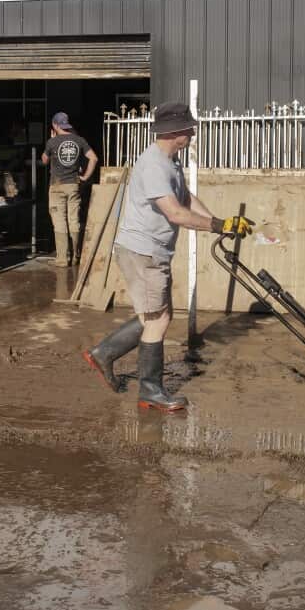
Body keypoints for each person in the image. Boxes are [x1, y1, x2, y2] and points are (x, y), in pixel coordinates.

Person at [81, 102, 254, 412]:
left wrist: (220, 224)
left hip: (151, 250)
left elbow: (185, 198)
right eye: (188, 128)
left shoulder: (168, 162)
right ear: (174, 132)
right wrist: (217, 225)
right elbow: (175, 213)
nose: (192, 132)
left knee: (158, 315)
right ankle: (150, 391)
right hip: (143, 251)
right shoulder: (154, 166)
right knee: (157, 319)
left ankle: (104, 352)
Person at [41, 112, 97, 267]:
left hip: (57, 186)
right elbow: (94, 158)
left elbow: (44, 160)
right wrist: (85, 177)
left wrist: (51, 141)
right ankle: (75, 256)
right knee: (74, 220)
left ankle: (62, 259)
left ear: (55, 125)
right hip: (74, 185)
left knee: (59, 222)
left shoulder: (52, 142)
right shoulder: (79, 140)